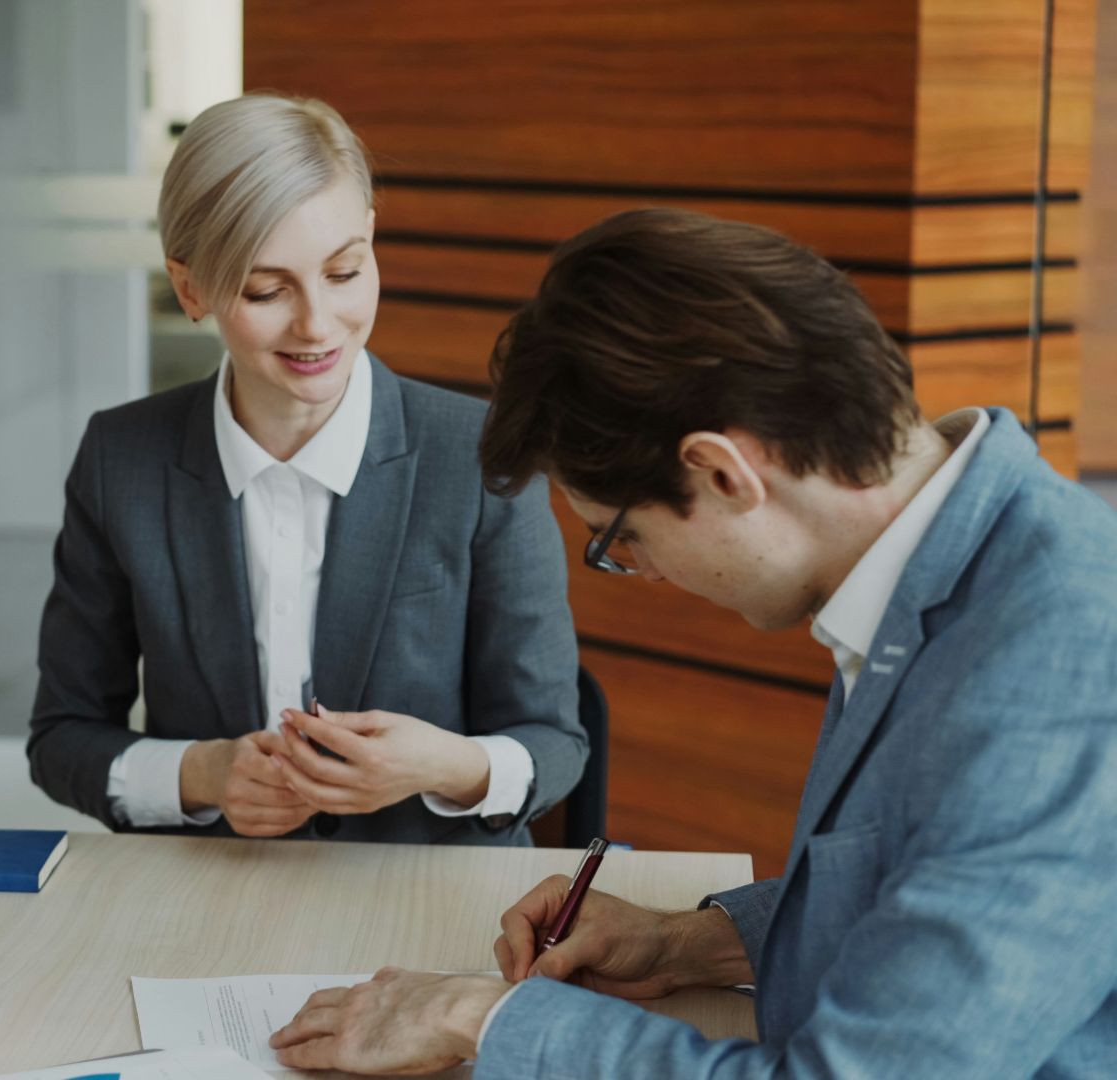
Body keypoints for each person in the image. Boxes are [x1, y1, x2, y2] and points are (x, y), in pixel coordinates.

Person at [268, 208, 1117, 1076]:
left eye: (617, 539)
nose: (644, 571)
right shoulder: (953, 563)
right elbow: (934, 885)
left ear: (722, 473)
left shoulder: (1060, 668)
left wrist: (482, 1018)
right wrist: (690, 942)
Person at [26, 93, 585, 845]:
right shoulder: (120, 459)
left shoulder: (480, 458)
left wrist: (442, 766)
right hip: (210, 898)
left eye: (345, 272)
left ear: (372, 243)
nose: (318, 324)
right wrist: (204, 774)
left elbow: (556, 743)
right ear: (192, 288)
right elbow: (62, 739)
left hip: (427, 895)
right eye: (266, 289)